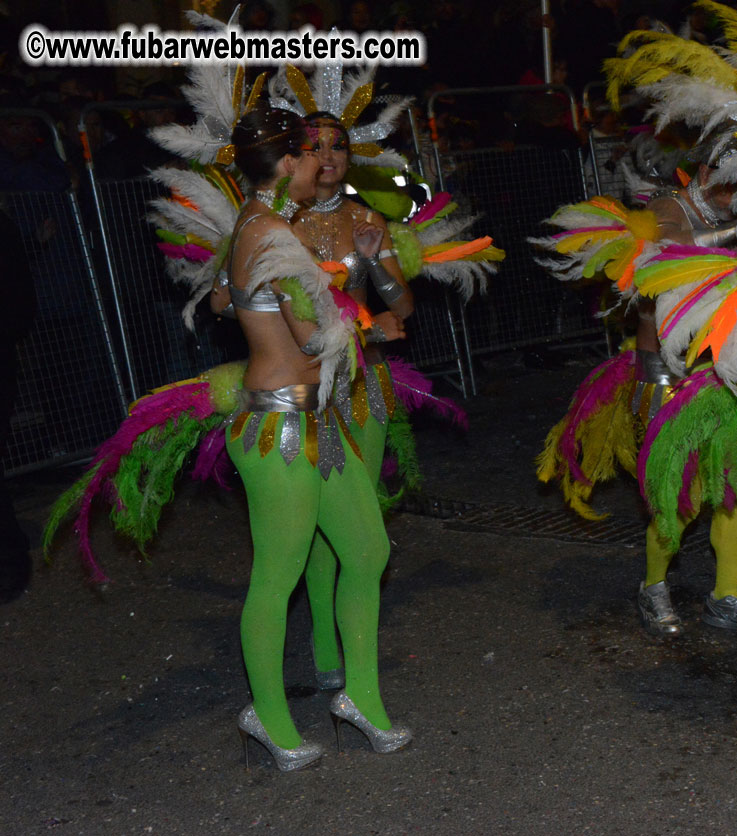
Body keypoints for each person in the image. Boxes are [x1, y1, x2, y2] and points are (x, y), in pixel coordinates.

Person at [219, 107, 410, 771]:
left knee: (367, 550)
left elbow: (235, 304)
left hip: (317, 421)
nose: (320, 165)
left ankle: (360, 697)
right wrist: (370, 324)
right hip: (278, 428)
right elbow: (311, 339)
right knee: (278, 576)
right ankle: (267, 716)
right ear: (288, 162)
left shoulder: (260, 222)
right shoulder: (271, 233)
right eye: (309, 154)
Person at [291, 111, 410, 691]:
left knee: (361, 515)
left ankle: (356, 643)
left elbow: (403, 308)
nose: (329, 157)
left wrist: (371, 261)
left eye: (337, 146)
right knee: (318, 518)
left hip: (365, 387)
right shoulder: (280, 224)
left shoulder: (367, 218)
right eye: (315, 147)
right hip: (310, 386)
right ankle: (323, 645)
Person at [635, 163, 737, 638]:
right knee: (678, 492)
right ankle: (652, 587)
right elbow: (669, 253)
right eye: (735, 179)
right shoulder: (665, 208)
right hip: (672, 379)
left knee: (734, 490)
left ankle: (725, 595)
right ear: (707, 171)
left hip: (727, 376)